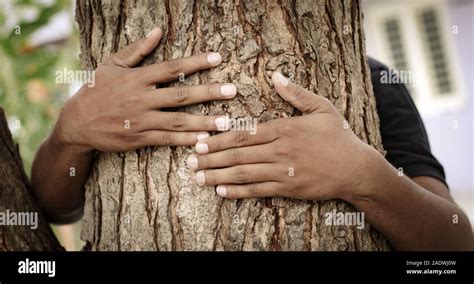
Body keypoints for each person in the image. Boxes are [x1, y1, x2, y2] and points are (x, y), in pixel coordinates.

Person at [31, 27, 473, 250]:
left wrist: (362, 175)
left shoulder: (373, 78)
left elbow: (453, 243)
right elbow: (55, 206)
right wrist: (69, 133)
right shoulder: (119, 77)